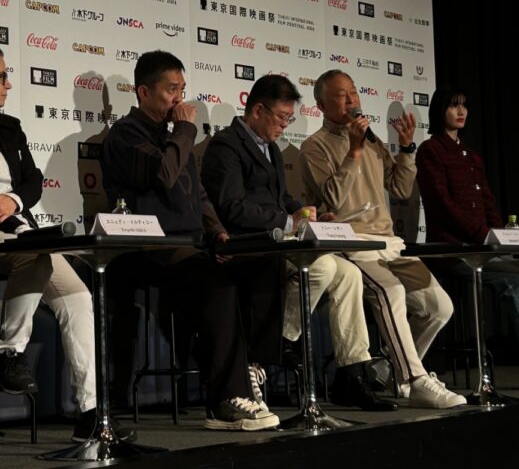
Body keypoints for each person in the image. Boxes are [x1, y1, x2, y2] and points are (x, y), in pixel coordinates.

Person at [0, 43, 124, 442]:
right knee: (33, 255)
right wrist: (1, 211)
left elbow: (33, 181)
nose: (8, 84)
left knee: (78, 297)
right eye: (0, 76)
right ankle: (9, 353)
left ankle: (90, 413)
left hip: (20, 230)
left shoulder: (9, 127)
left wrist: (12, 201)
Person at [101, 50, 278, 431]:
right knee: (217, 284)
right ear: (143, 92)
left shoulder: (172, 137)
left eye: (182, 89)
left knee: (259, 267)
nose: (179, 99)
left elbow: (197, 193)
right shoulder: (127, 134)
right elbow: (164, 176)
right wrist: (184, 130)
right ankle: (226, 400)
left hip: (188, 245)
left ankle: (250, 376)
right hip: (148, 247)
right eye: (171, 90)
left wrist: (218, 232)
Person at [201, 74, 396, 411]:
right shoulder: (226, 146)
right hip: (248, 245)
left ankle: (352, 373)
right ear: (258, 111)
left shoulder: (272, 149)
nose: (284, 126)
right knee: (322, 267)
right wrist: (288, 221)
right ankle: (269, 347)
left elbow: (284, 198)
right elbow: (232, 206)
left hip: (280, 242)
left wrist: (311, 216)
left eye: (289, 119)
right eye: (281, 118)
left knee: (348, 273)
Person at [299, 69, 466, 408]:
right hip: (353, 244)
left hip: (390, 242)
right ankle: (416, 380)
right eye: (342, 95)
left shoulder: (372, 140)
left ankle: (390, 373)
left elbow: (401, 188)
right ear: (321, 105)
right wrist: (353, 151)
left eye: (354, 92)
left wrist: (405, 149)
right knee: (390, 291)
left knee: (439, 307)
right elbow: (332, 199)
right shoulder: (314, 146)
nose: (352, 100)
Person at [416, 86, 519, 345]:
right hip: (452, 250)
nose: (461, 111)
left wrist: (500, 236)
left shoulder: (472, 155)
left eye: (464, 105)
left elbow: (487, 201)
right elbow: (443, 205)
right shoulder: (430, 150)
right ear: (440, 110)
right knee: (512, 279)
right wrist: (483, 235)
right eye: (454, 105)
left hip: (482, 245)